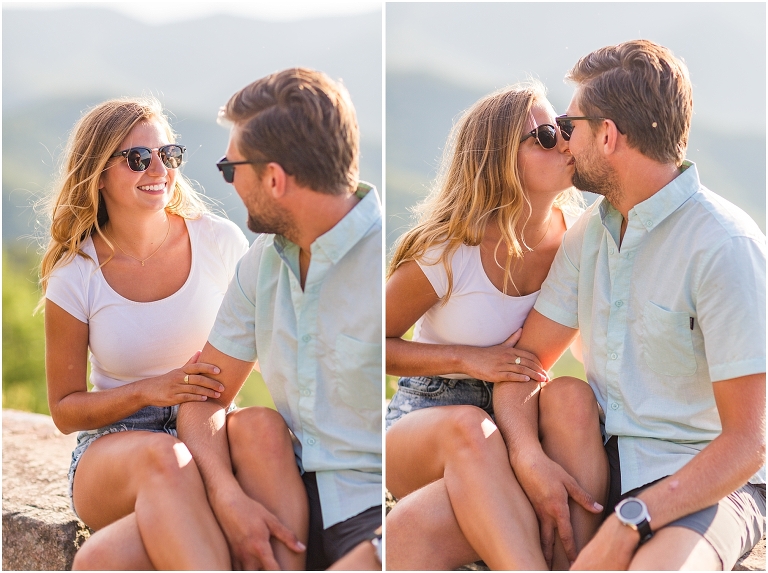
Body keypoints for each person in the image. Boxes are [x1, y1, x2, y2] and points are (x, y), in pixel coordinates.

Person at [493, 39, 766, 571]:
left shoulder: (726, 247)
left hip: (705, 482)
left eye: (569, 126)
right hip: (598, 463)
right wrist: (527, 456)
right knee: (417, 526)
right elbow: (523, 364)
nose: (562, 141)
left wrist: (633, 519)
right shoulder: (587, 235)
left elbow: (747, 444)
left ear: (608, 136)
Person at [385, 82, 607, 571]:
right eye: (546, 136)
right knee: (470, 426)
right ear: (499, 160)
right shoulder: (448, 250)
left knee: (571, 396)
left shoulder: (576, 241)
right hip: (430, 417)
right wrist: (468, 360)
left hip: (517, 414)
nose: (566, 142)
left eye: (563, 128)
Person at [174, 68, 383, 571]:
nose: (229, 183)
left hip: (370, 507)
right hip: (282, 490)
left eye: (231, 169)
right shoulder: (262, 261)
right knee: (106, 556)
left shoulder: (386, 265)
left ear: (273, 178)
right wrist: (225, 493)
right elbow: (205, 398)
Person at [40, 97, 249, 569]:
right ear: (98, 174)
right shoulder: (75, 273)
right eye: (138, 158)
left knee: (266, 433)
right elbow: (65, 411)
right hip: (116, 446)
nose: (159, 169)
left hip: (209, 424)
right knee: (164, 456)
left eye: (168, 154)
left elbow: (266, 344)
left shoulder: (219, 241)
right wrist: (149, 390)